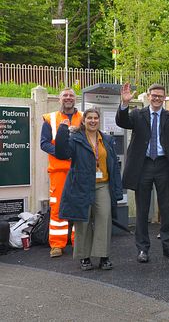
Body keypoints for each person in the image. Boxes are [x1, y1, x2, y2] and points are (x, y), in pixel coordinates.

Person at [116, 83, 169, 263]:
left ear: (164, 98)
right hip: (144, 165)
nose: (157, 98)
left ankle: (168, 246)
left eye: (160, 96)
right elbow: (122, 122)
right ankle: (142, 249)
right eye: (154, 95)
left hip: (164, 165)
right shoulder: (137, 115)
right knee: (142, 209)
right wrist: (124, 104)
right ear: (148, 96)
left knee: (166, 208)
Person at [54, 108, 123, 271]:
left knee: (104, 220)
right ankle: (84, 257)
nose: (93, 121)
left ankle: (103, 256)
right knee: (82, 222)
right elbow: (62, 153)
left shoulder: (106, 139)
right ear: (83, 121)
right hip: (82, 185)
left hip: (103, 185)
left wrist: (117, 187)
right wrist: (63, 131)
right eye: (89, 118)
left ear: (99, 121)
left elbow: (112, 164)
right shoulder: (76, 138)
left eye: (96, 118)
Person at [40, 88, 83, 258]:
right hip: (59, 171)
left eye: (71, 95)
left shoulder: (84, 118)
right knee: (57, 207)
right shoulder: (50, 118)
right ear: (59, 99)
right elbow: (44, 143)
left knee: (80, 205)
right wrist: (61, 152)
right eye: (65, 95)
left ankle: (78, 241)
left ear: (75, 99)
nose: (68, 98)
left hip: (80, 170)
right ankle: (57, 244)